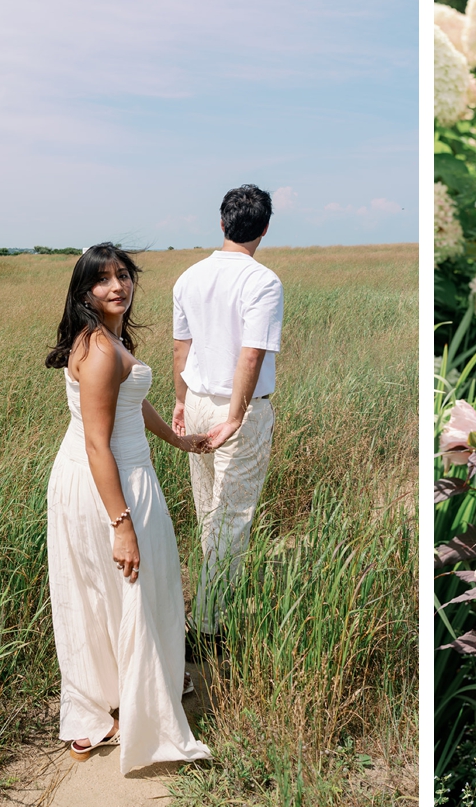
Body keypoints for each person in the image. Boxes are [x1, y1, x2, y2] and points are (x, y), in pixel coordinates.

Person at [43, 243, 211, 773]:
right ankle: (108, 710)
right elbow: (98, 442)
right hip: (107, 481)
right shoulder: (96, 349)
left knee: (119, 591)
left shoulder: (112, 340)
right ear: (84, 292)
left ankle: (133, 687)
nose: (118, 287)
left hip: (128, 473)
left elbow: (133, 402)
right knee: (126, 586)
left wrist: (179, 441)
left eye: (124, 276)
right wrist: (121, 523)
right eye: (103, 280)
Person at [172, 185, 283, 653]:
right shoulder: (263, 281)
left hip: (196, 398)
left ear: (222, 223)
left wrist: (179, 402)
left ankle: (209, 610)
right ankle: (209, 626)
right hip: (238, 409)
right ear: (264, 228)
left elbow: (182, 347)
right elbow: (250, 354)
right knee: (231, 518)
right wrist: (236, 415)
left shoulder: (189, 277)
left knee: (207, 512)